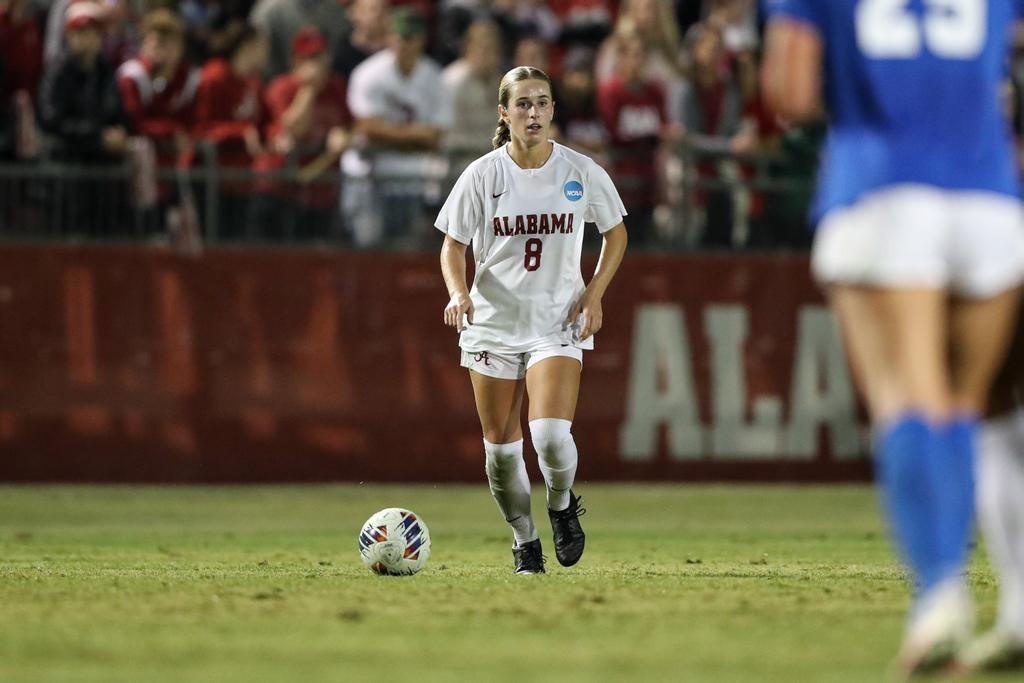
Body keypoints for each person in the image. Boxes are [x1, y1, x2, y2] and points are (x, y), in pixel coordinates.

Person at [761, 0, 1024, 676]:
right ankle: (1016, 604)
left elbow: (789, 90)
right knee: (969, 405)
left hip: (881, 186)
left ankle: (940, 593)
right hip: (990, 195)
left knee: (908, 396)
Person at [436, 66, 628, 574]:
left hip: (555, 321)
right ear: (504, 113)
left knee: (548, 436)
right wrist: (459, 292)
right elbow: (452, 246)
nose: (534, 112)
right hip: (493, 324)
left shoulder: (579, 171)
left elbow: (616, 233)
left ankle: (562, 506)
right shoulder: (482, 174)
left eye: (542, 102)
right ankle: (524, 541)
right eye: (522, 104)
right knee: (501, 454)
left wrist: (594, 293)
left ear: (553, 110)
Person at [342, 7, 450, 247]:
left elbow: (435, 136)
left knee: (408, 249)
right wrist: (416, 136)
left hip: (415, 177)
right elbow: (368, 129)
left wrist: (388, 134)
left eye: (411, 38)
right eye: (400, 37)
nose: (404, 44)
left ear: (422, 40)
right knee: (368, 246)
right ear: (390, 37)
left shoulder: (434, 77)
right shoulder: (368, 73)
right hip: (371, 173)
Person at [251, 26, 351, 241]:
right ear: (295, 60)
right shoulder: (281, 88)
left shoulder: (336, 87)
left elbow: (350, 124)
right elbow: (291, 129)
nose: (318, 64)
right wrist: (309, 89)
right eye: (310, 57)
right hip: (279, 188)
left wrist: (342, 134)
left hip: (319, 190)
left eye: (321, 56)